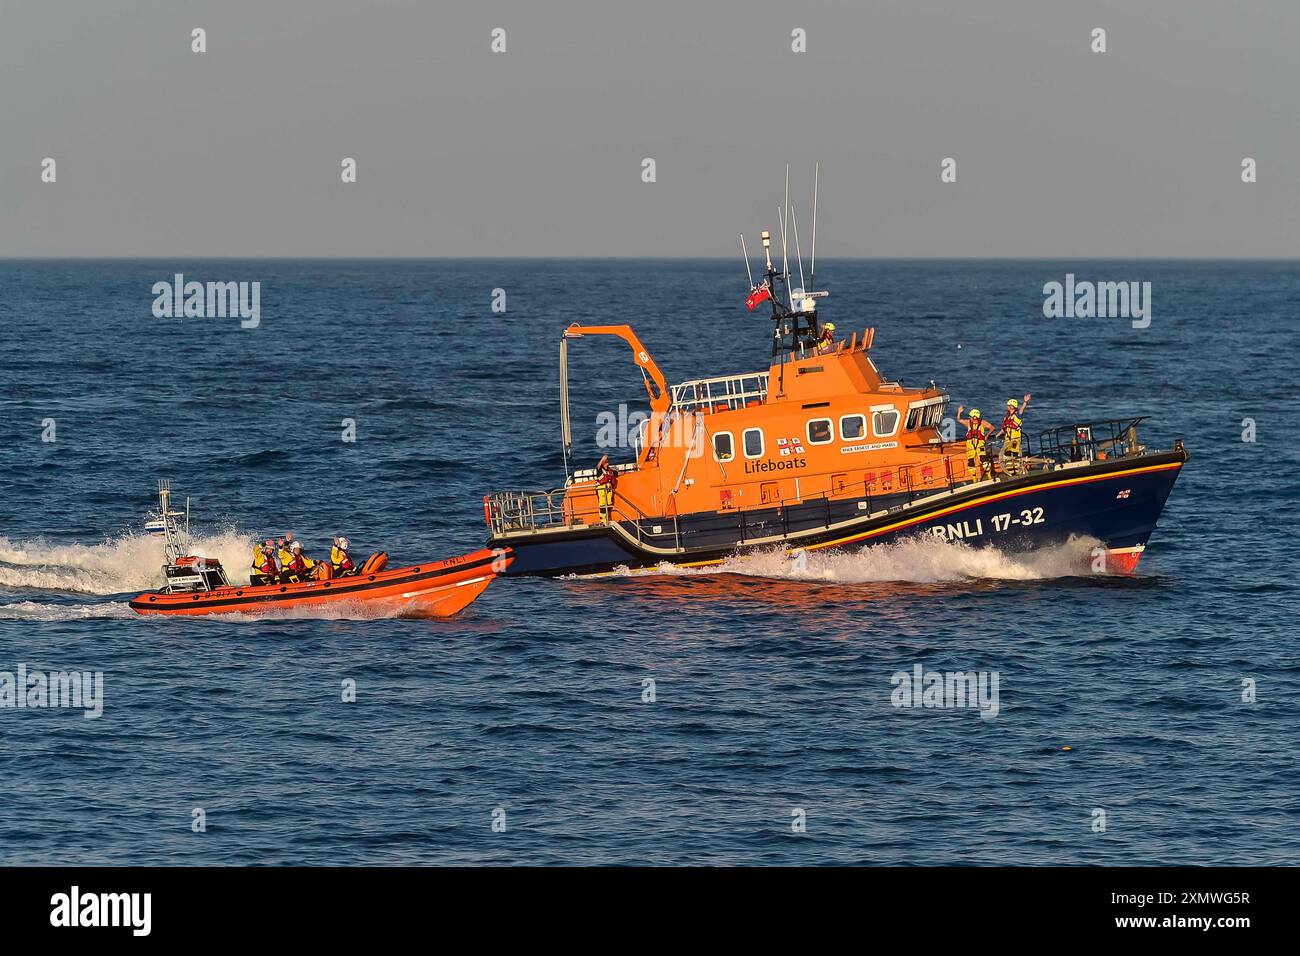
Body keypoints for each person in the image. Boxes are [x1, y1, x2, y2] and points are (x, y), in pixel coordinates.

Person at [956, 405, 994, 482]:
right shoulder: (968, 423)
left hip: (980, 443)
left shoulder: (983, 423)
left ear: (975, 417)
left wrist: (987, 435)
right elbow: (959, 420)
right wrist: (959, 412)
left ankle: (989, 475)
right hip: (970, 444)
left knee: (983, 459)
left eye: (971, 416)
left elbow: (992, 428)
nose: (970, 418)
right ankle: (974, 478)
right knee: (971, 461)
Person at [997, 393, 1032, 477]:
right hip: (1008, 439)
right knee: (1007, 455)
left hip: (1015, 438)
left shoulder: (1018, 414)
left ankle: (1016, 472)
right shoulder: (1007, 417)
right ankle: (1010, 472)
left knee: (1015, 456)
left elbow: (1022, 410)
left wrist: (1025, 402)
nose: (1008, 407)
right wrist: (997, 435)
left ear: (1012, 406)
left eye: (1009, 405)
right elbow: (1005, 428)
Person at [595, 454, 616, 521]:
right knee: (603, 505)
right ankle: (603, 521)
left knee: (609, 504)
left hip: (609, 489)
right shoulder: (600, 470)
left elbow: (615, 474)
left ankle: (608, 518)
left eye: (607, 463)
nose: (607, 464)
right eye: (606, 463)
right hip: (601, 488)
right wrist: (602, 459)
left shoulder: (610, 470)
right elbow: (598, 466)